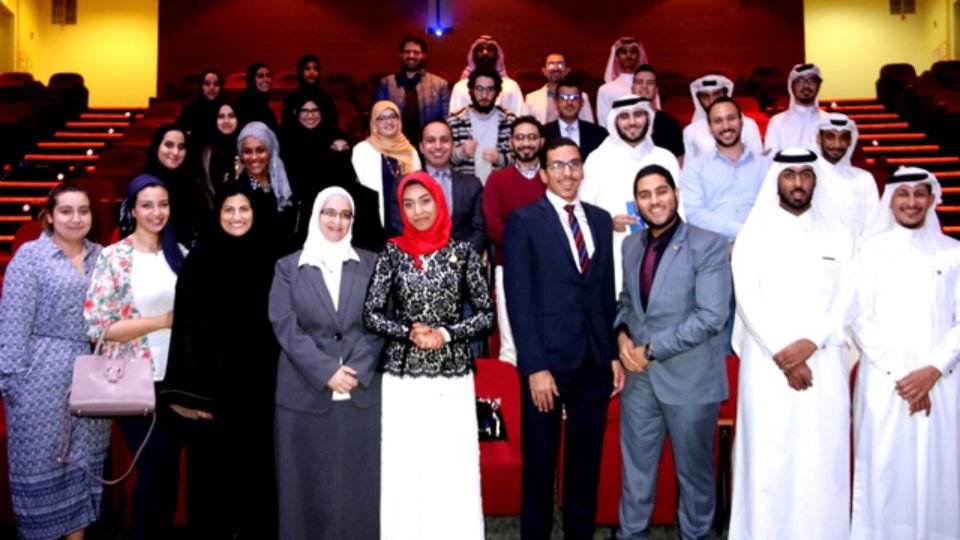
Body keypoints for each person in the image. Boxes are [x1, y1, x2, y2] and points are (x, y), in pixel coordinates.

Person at [728, 149, 856, 540]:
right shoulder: (754, 233)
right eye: (790, 175)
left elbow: (848, 297)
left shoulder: (839, 233)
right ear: (777, 180)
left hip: (824, 359)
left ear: (816, 180)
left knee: (822, 458)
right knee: (768, 457)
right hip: (767, 364)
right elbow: (747, 298)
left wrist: (810, 344)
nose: (798, 182)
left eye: (805, 174)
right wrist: (784, 353)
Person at [504, 137, 624, 540]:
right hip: (546, 365)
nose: (567, 172)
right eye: (557, 166)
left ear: (583, 169)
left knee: (584, 465)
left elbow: (604, 293)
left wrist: (611, 354)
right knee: (539, 465)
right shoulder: (523, 221)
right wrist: (534, 366)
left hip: (593, 362)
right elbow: (517, 298)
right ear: (543, 174)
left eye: (573, 164)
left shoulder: (602, 220)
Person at [364, 171, 493, 539]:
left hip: (451, 376)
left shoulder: (463, 252)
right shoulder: (392, 252)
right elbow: (371, 314)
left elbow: (486, 316)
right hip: (403, 377)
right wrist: (409, 331)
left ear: (439, 201)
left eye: (425, 201)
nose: (418, 211)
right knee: (407, 465)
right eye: (408, 204)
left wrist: (447, 333)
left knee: (451, 464)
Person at [614, 164, 732, 540]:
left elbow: (711, 316)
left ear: (675, 194)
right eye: (645, 195)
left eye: (661, 191)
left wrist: (649, 349)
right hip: (639, 379)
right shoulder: (631, 245)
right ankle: (631, 534)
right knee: (636, 470)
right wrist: (620, 336)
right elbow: (627, 303)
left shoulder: (708, 243)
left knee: (694, 475)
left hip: (691, 378)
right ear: (637, 203)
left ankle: (695, 535)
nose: (654, 201)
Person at [164, 182, 280, 539]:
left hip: (262, 385)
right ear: (218, 214)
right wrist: (189, 395)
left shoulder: (272, 258)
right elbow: (183, 325)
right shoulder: (199, 261)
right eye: (228, 210)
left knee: (258, 473)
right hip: (212, 389)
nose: (236, 217)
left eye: (243, 209)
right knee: (212, 475)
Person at [850, 167, 960, 539]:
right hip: (886, 384)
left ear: (932, 199)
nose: (912, 202)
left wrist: (932, 370)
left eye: (919, 194)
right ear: (890, 200)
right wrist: (904, 376)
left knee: (940, 470)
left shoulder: (953, 252)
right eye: (903, 194)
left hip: (942, 383)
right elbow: (860, 319)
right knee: (885, 471)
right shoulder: (868, 251)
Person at [269, 187, 385, 540]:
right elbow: (284, 324)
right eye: (329, 213)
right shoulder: (289, 266)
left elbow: (381, 322)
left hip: (359, 393)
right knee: (303, 492)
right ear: (316, 215)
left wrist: (354, 371)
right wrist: (326, 372)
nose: (337, 221)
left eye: (345, 214)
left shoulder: (372, 263)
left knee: (359, 492)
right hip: (303, 396)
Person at [0, 183, 110, 540]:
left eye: (83, 211)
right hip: (39, 380)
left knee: (83, 468)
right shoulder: (30, 257)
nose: (75, 218)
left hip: (92, 374)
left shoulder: (103, 256)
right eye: (66, 211)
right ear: (49, 216)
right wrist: (13, 385)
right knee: (42, 468)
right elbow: (13, 327)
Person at [84, 175, 187, 540]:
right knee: (154, 465)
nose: (156, 212)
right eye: (147, 205)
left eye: (162, 204)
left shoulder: (181, 255)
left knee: (168, 469)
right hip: (131, 378)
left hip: (175, 381)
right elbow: (99, 326)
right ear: (132, 209)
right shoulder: (113, 257)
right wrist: (162, 321)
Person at [581, 96, 681, 296]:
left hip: (663, 253)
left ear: (648, 118)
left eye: (638, 114)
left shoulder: (665, 157)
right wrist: (608, 223)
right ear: (615, 121)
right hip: (615, 254)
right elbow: (583, 212)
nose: (632, 122)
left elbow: (681, 211)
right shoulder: (598, 159)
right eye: (624, 116)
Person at [483, 117, 546, 366]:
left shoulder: (551, 178)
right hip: (510, 266)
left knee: (547, 334)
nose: (526, 143)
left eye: (532, 137)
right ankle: (512, 402)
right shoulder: (497, 180)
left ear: (541, 141)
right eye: (520, 137)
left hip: (550, 268)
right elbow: (493, 225)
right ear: (511, 143)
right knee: (510, 343)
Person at [680, 97, 769, 241]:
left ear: (741, 121)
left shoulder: (766, 166)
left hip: (761, 244)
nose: (726, 126)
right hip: (713, 251)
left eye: (731, 118)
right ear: (710, 128)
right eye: (718, 121)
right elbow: (694, 214)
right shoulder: (694, 169)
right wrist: (745, 232)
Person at [352, 100, 422, 237]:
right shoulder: (362, 150)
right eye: (382, 118)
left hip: (405, 222)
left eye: (392, 116)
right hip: (374, 221)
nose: (388, 122)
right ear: (374, 123)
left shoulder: (410, 150)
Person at [419, 120, 485, 254]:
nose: (438, 146)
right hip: (418, 266)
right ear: (421, 147)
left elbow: (480, 230)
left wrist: (458, 262)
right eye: (431, 140)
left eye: (444, 140)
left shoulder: (472, 185)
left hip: (462, 266)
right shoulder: (406, 184)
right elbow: (399, 229)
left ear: (453, 146)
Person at [813, 113, 880, 240]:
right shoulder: (806, 177)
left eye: (843, 138)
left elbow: (872, 226)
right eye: (830, 137)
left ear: (850, 141)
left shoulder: (864, 179)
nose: (837, 145)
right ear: (818, 138)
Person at [374, 35, 451, 145]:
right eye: (407, 52)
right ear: (400, 55)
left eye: (416, 52)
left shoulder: (440, 85)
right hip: (394, 144)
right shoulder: (386, 84)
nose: (411, 56)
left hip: (429, 145)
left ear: (424, 56)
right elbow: (377, 117)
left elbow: (446, 120)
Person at [144, 124, 210, 249]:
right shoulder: (142, 186)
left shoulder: (193, 186)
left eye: (181, 147)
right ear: (157, 146)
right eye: (169, 145)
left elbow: (205, 230)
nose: (175, 152)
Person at [447, 69, 516, 184]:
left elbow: (521, 162)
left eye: (490, 89)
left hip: (500, 189)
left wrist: (500, 159)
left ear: (498, 92)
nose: (484, 95)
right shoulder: (454, 121)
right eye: (479, 89)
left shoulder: (510, 121)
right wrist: (461, 153)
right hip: (466, 192)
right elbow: (441, 162)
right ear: (471, 91)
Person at [236, 121, 298, 249]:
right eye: (248, 151)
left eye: (260, 150)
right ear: (241, 156)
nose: (254, 157)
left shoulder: (285, 187)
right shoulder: (235, 191)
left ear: (270, 152)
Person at [682, 74, 764, 161]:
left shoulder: (749, 125)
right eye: (706, 96)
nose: (711, 101)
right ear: (699, 100)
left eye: (717, 94)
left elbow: (758, 162)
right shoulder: (690, 131)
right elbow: (689, 168)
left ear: (726, 94)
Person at [449, 35, 524, 116]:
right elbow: (454, 118)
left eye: (490, 51)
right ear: (473, 55)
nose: (485, 54)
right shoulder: (460, 87)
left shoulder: (511, 86)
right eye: (480, 51)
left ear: (498, 55)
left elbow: (519, 117)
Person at [764, 63, 830, 153]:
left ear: (819, 85)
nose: (806, 86)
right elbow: (770, 158)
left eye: (812, 80)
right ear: (792, 86)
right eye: (800, 81)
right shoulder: (777, 122)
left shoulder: (829, 121)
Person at [543, 78, 608, 160]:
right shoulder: (543, 133)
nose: (569, 102)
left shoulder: (599, 133)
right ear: (556, 102)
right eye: (564, 97)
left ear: (582, 102)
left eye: (574, 97)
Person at [631, 65, 684, 162]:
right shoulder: (622, 122)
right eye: (639, 82)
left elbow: (679, 159)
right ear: (632, 88)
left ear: (656, 90)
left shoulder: (670, 123)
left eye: (650, 83)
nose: (644, 86)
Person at [522, 52, 595, 124]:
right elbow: (526, 126)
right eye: (551, 65)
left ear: (567, 70)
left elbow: (589, 125)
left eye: (560, 64)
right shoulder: (531, 98)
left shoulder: (581, 96)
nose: (556, 68)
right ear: (544, 71)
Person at [597, 37, 649, 129]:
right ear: (617, 57)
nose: (628, 55)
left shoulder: (648, 87)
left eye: (633, 52)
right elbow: (604, 125)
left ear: (638, 56)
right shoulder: (605, 90)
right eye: (624, 52)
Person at [281, 54, 338, 134]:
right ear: (301, 72)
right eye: (307, 69)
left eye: (315, 69)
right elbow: (286, 129)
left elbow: (332, 128)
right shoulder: (291, 99)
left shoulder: (326, 100)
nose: (312, 72)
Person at [199, 103, 240, 203]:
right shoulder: (205, 153)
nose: (226, 121)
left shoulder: (246, 149)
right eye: (221, 116)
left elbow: (255, 184)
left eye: (231, 116)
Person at [176, 69, 223, 148]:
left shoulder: (227, 111)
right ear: (201, 86)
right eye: (207, 84)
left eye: (216, 84)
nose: (212, 87)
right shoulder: (190, 111)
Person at [234, 62, 279, 131]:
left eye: (268, 76)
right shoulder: (244, 104)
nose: (265, 79)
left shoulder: (263, 103)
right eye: (260, 76)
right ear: (252, 80)